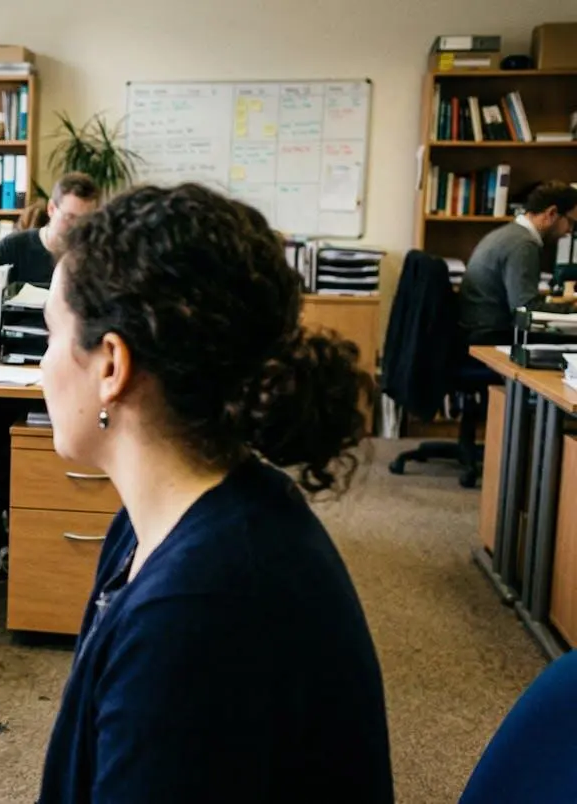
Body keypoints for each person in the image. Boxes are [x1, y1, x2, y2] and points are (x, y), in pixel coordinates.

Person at [37, 183, 392, 802]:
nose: (40, 366)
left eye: (48, 335)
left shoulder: (200, 613)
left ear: (112, 367)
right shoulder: (166, 519)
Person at [0, 172, 100, 540]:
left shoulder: (90, 258)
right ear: (52, 209)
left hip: (70, 365)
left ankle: (54, 502)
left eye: (86, 222)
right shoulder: (14, 248)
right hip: (10, 364)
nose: (78, 230)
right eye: (70, 219)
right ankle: (8, 490)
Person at [458, 180, 577, 341]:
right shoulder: (523, 244)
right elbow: (525, 309)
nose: (569, 231)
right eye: (570, 222)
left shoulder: (509, 234)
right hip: (491, 338)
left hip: (479, 332)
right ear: (551, 213)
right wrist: (571, 309)